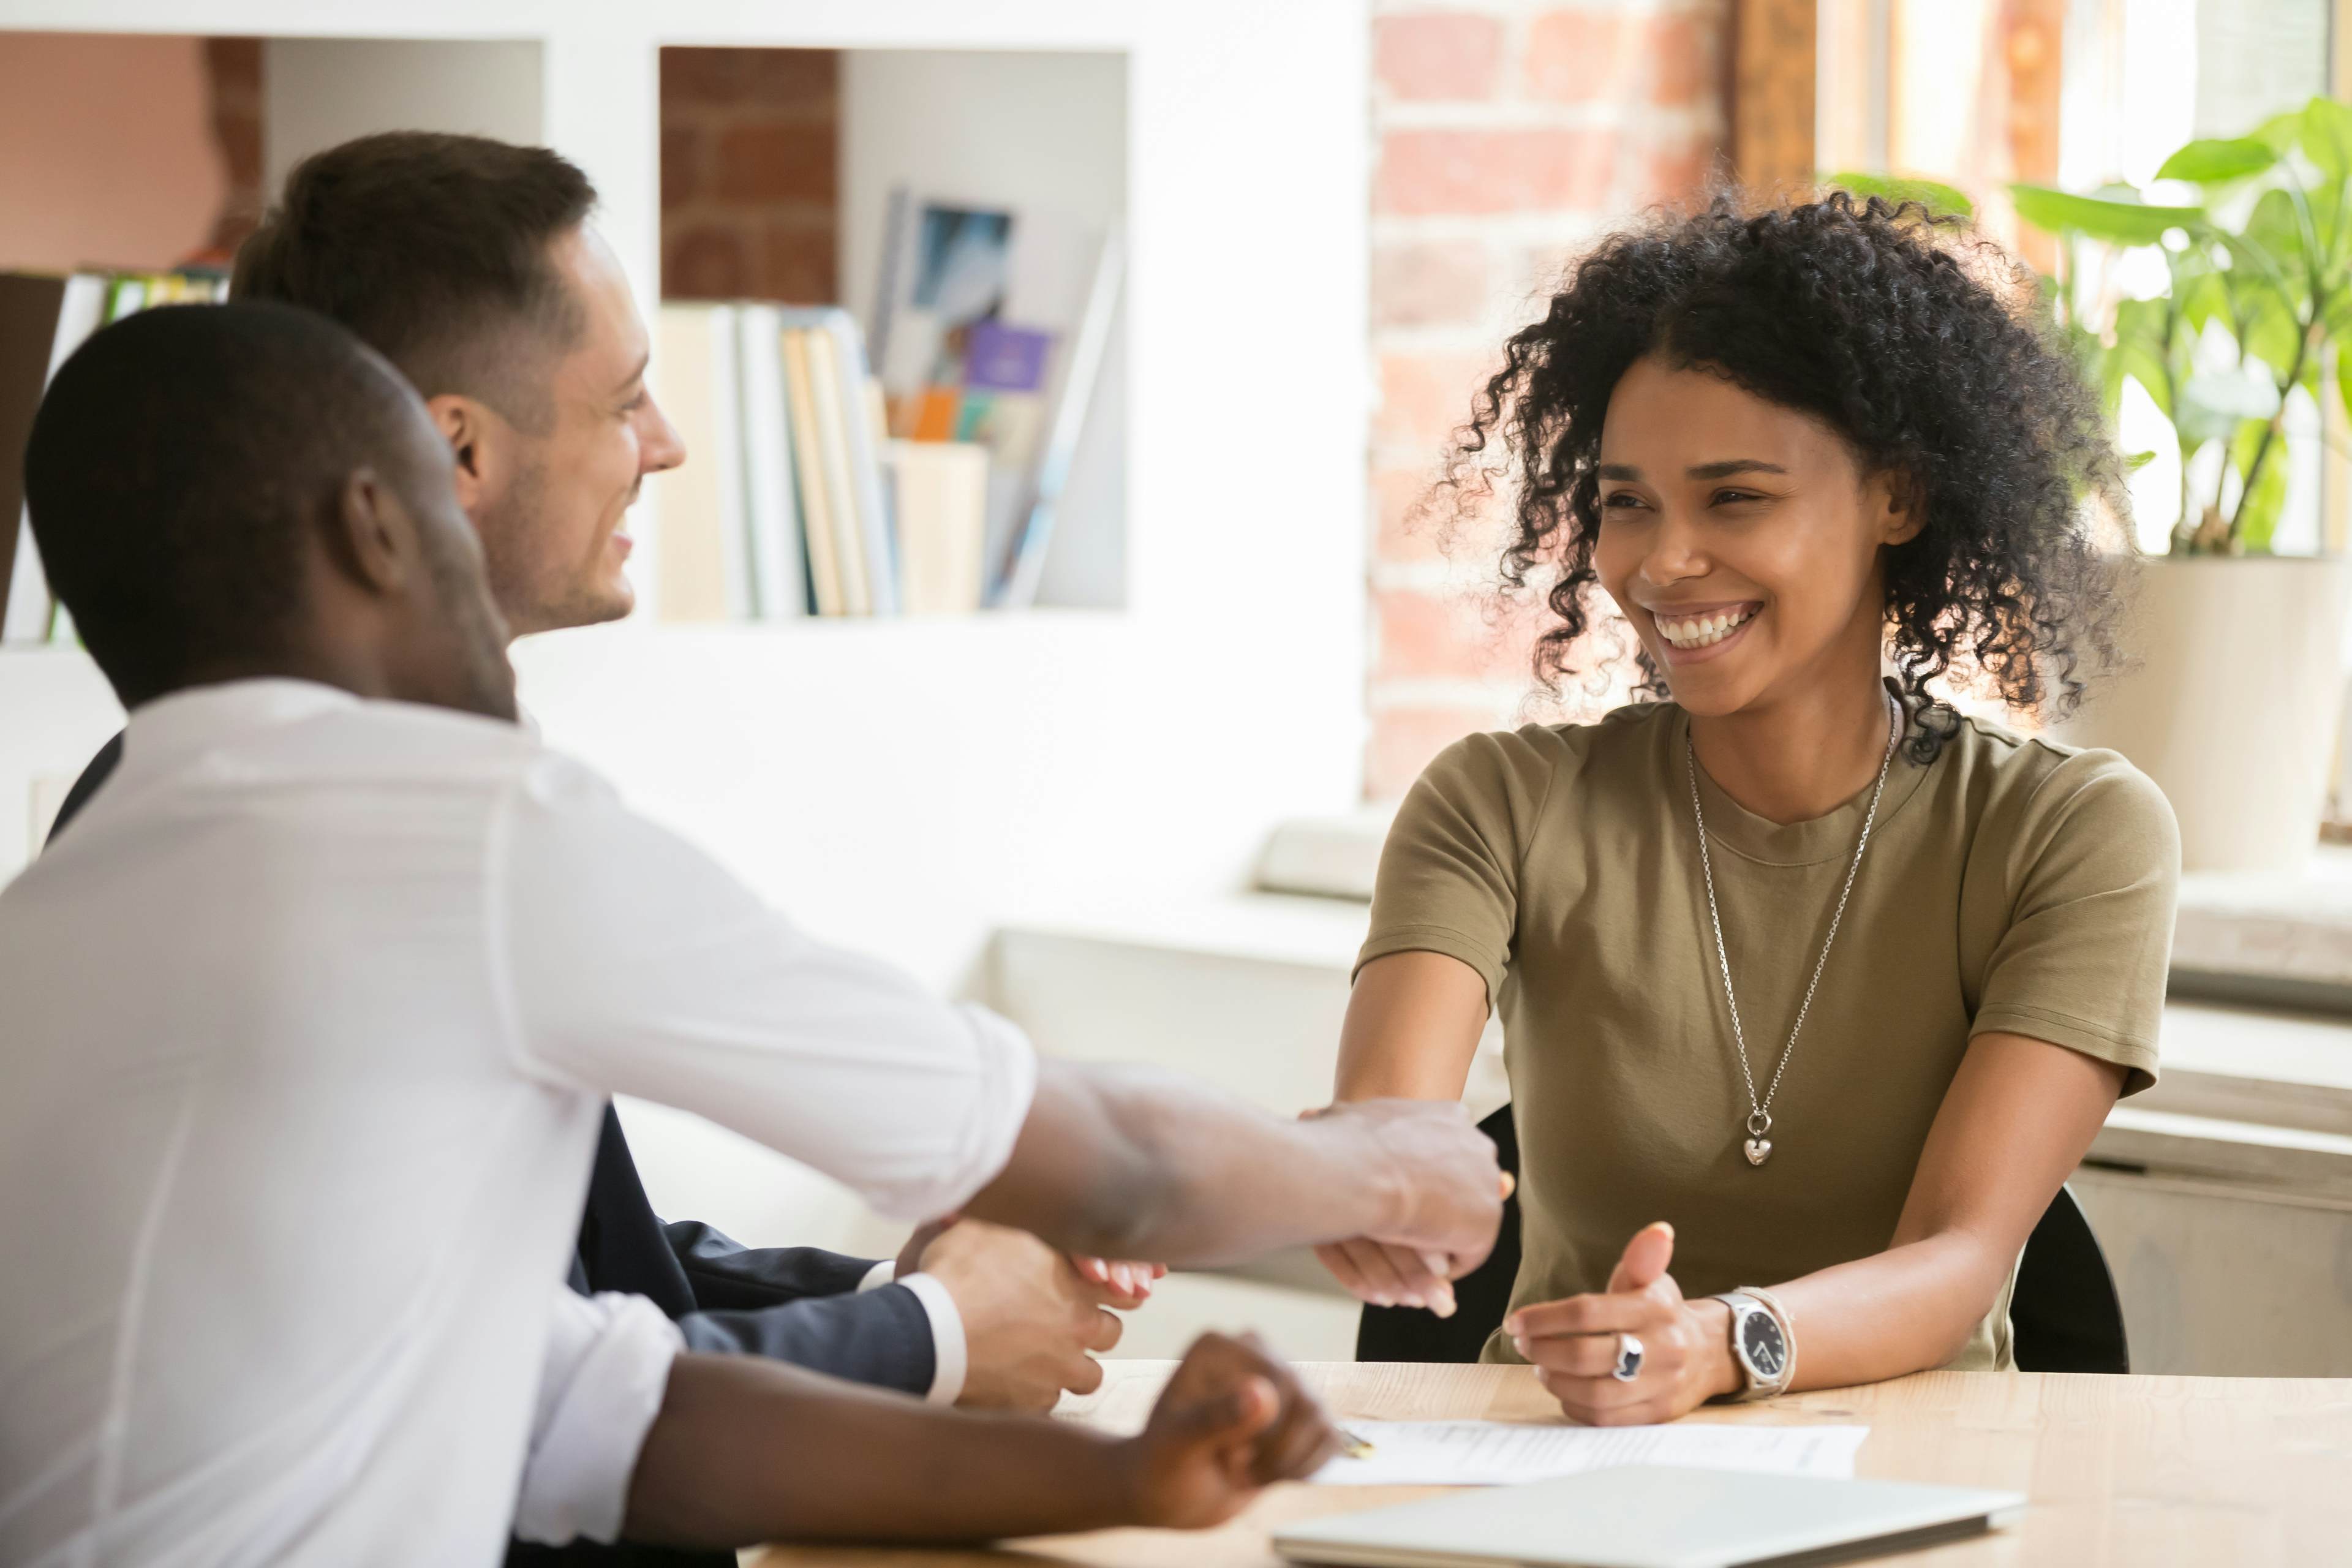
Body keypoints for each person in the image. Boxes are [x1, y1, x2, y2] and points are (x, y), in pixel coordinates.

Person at [0, 301, 1504, 1562]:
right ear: (378, 524)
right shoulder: (458, 823)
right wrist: (1387, 1161)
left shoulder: (54, 917)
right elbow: (1114, 1159)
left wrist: (1120, 1479)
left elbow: (599, 1417)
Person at [41, 130, 1150, 1435]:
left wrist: (903, 1286)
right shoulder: (381, 839)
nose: (669, 446)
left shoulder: (216, 782)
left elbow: (578, 1265)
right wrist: (936, 1335)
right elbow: (525, 1411)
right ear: (456, 452)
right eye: (626, 399)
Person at [1322, 193, 2180, 1425]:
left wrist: (1725, 1341)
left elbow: (1960, 1254)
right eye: (1627, 502)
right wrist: (1365, 1180)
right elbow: (1390, 1127)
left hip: (1923, 1469)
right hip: (1560, 1476)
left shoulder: (2069, 832)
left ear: (1898, 496)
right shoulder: (1495, 807)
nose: (1662, 562)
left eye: (1734, 498)